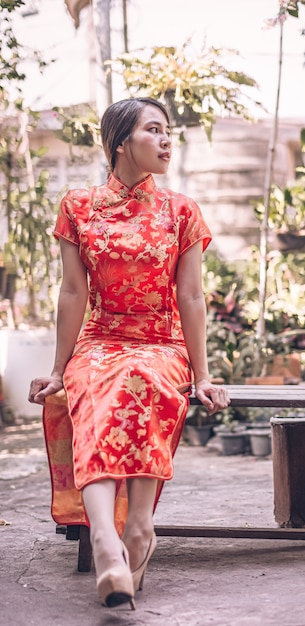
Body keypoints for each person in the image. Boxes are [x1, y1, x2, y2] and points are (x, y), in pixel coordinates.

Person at [28, 97, 230, 610]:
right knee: (98, 380)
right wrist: (58, 368)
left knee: (140, 375)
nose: (167, 141)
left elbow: (190, 296)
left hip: (161, 342)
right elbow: (73, 293)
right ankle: (105, 538)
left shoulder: (181, 211)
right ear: (120, 142)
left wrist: (202, 375)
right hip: (99, 339)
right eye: (154, 130)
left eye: (169, 132)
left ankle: (138, 527)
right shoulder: (78, 206)